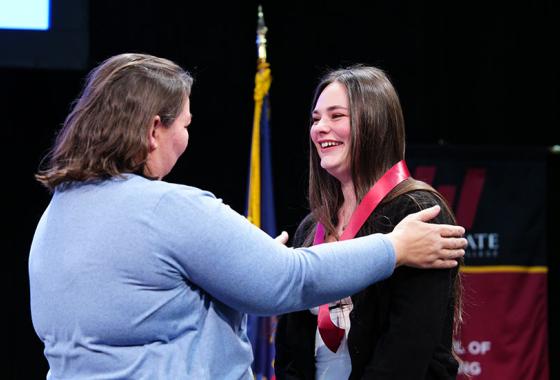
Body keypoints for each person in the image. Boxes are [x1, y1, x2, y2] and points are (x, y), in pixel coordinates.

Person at [29, 54, 466, 379]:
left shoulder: (54, 217)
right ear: (151, 130)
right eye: (184, 125)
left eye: (337, 116)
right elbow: (288, 281)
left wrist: (240, 271)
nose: (185, 139)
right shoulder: (167, 207)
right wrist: (394, 247)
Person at [275, 65, 463, 379]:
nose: (320, 128)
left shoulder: (418, 211)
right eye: (316, 118)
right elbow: (291, 350)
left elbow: (407, 348)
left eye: (336, 116)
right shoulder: (312, 227)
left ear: (374, 123)